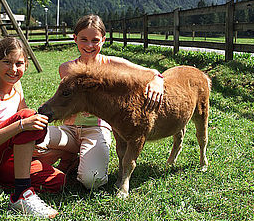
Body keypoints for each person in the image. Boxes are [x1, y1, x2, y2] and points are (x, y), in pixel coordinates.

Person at [34, 14, 164, 190]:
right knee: (32, 140)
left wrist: (157, 80)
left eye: (95, 40)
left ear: (103, 40)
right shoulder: (66, 69)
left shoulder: (112, 64)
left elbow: (151, 71)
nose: (89, 45)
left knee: (92, 180)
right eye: (84, 39)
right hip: (69, 130)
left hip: (96, 129)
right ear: (75, 39)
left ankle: (74, 157)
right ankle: (71, 155)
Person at [0, 37, 64, 218]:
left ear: (26, 65)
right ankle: (21, 195)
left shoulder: (17, 86)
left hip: (2, 154)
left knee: (58, 181)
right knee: (28, 117)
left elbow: (24, 131)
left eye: (19, 63)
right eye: (7, 62)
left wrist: (31, 139)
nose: (13, 69)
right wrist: (22, 125)